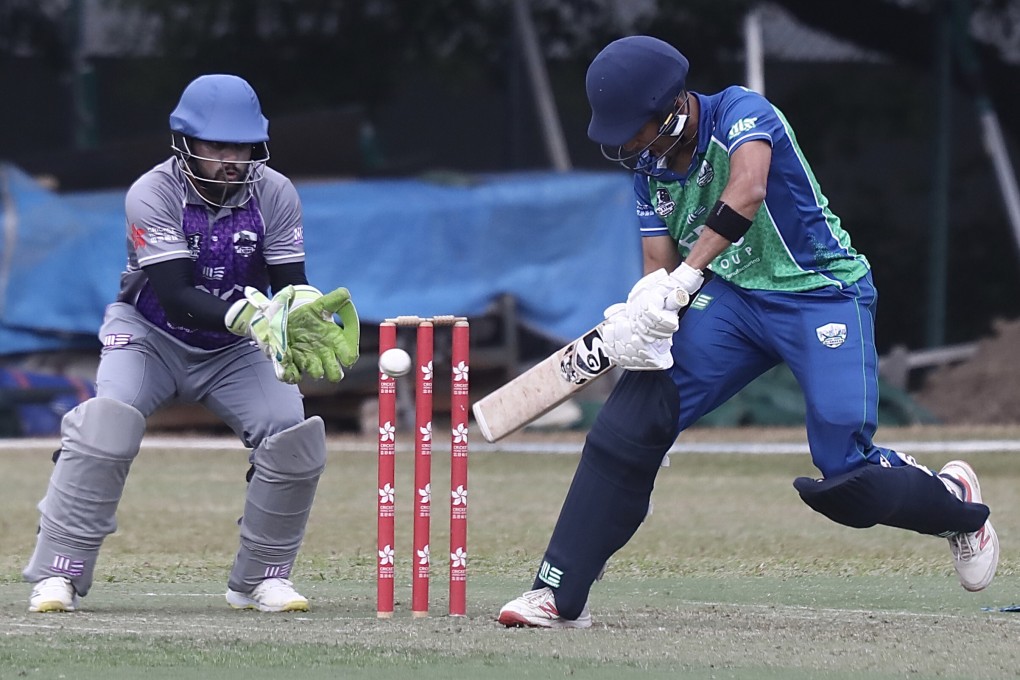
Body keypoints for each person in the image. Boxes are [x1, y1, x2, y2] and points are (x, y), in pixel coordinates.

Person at [497, 35, 998, 629]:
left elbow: (749, 189)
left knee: (847, 475)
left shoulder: (743, 112)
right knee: (628, 424)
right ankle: (557, 593)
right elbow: (659, 266)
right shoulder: (648, 170)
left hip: (820, 292)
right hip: (734, 301)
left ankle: (957, 508)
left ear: (673, 107)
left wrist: (684, 276)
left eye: (635, 127)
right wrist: (645, 312)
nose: (625, 142)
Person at [24, 74, 360, 614]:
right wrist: (251, 316)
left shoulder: (276, 192)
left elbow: (288, 282)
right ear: (185, 143)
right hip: (149, 336)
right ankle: (58, 571)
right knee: (106, 426)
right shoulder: (152, 194)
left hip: (233, 348)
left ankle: (260, 579)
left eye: (241, 145)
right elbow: (176, 294)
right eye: (217, 146)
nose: (231, 158)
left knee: (294, 438)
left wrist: (300, 312)